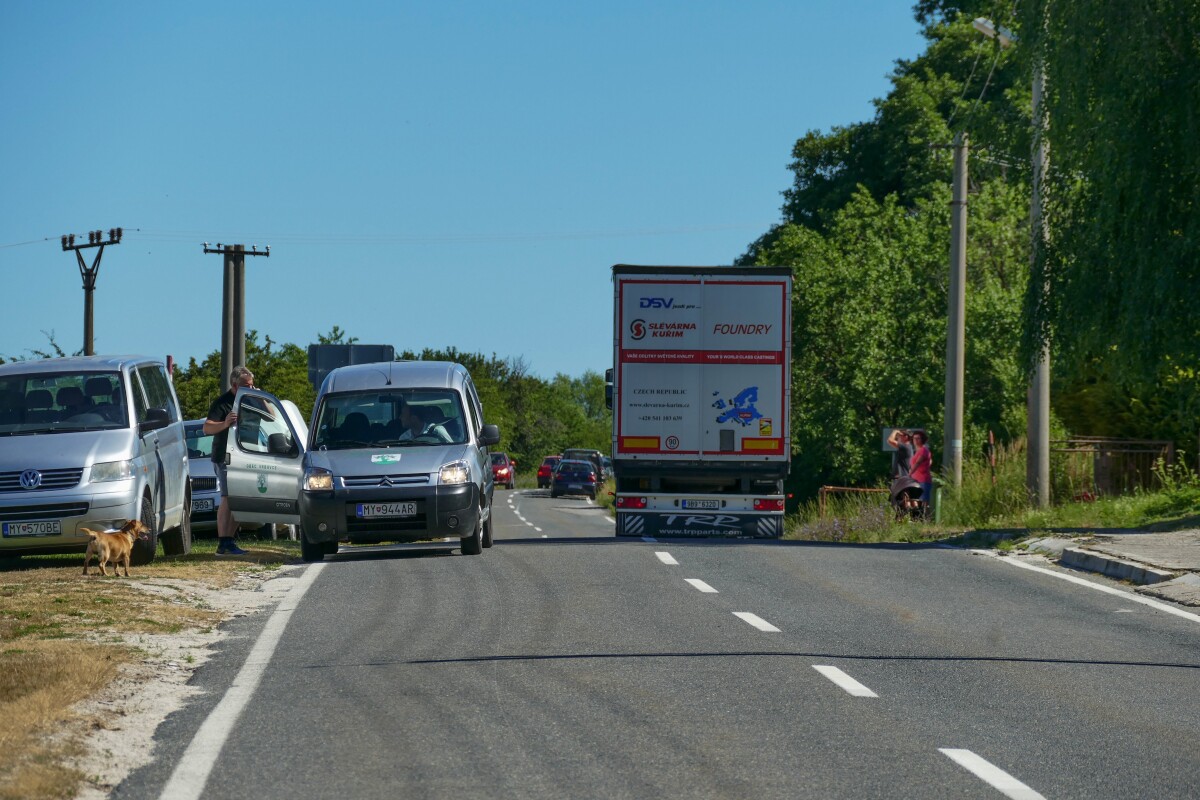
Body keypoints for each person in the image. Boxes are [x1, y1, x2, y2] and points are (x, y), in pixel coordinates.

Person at [203, 365, 254, 555]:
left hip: (244, 455)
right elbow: (207, 428)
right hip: (225, 457)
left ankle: (230, 540)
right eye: (246, 385)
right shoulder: (223, 402)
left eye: (252, 384)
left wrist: (261, 398)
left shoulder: (250, 400)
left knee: (239, 498)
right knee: (227, 497)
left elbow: (271, 417)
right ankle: (223, 542)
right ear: (234, 385)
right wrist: (225, 423)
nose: (250, 388)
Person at [909, 430, 933, 514]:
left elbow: (917, 463)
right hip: (915, 480)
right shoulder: (917, 452)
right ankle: (918, 518)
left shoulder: (923, 450)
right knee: (915, 500)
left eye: (918, 438)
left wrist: (909, 474)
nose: (915, 440)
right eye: (914, 438)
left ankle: (926, 519)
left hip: (923, 480)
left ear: (922, 439)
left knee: (924, 501)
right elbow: (930, 462)